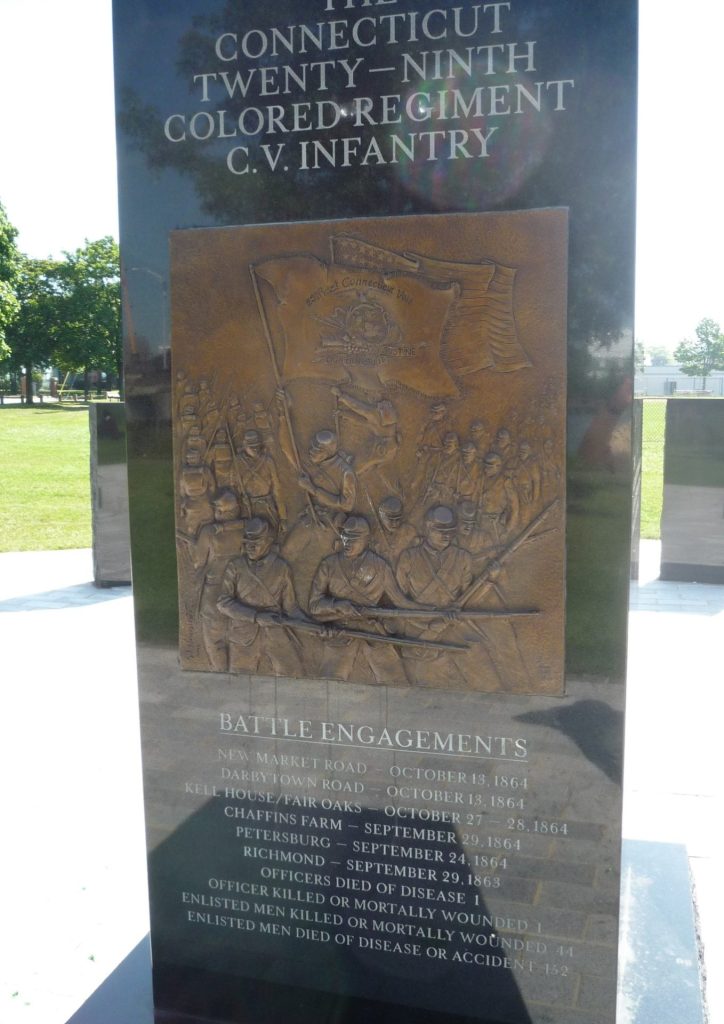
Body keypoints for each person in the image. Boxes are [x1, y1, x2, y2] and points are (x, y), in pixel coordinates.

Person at [309, 516, 418, 684]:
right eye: (345, 537)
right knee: (327, 684)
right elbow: (314, 606)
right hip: (340, 632)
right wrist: (337, 605)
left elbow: (401, 602)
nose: (347, 542)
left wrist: (435, 612)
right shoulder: (329, 565)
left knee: (396, 683)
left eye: (354, 539)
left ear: (367, 540)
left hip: (373, 633)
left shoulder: (380, 566)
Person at [217, 517, 303, 676]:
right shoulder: (235, 566)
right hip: (243, 634)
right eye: (247, 542)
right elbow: (223, 603)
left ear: (269, 542)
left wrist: (317, 627)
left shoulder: (281, 567)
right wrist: (256, 616)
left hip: (275, 632)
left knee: (294, 672)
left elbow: (291, 608)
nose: (250, 547)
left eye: (255, 542)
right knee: (240, 681)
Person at [189, 490, 246, 671]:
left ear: (222, 511)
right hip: (242, 592)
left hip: (214, 593)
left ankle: (220, 676)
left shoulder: (208, 532)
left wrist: (195, 545)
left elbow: (198, 561)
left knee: (214, 640)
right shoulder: (246, 528)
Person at [233, 429, 286, 530]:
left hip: (267, 506)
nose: (255, 449)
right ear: (245, 445)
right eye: (251, 446)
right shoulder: (238, 462)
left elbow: (277, 489)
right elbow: (233, 485)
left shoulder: (268, 461)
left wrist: (283, 517)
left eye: (257, 445)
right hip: (247, 507)